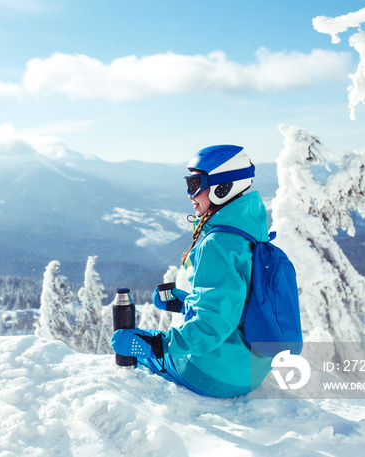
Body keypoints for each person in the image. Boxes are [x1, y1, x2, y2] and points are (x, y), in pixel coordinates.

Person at [111, 144, 273, 397]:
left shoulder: (217, 244)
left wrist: (157, 344)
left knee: (132, 353)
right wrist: (188, 303)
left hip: (214, 374)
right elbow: (239, 302)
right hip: (248, 370)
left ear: (223, 188)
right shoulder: (249, 230)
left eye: (195, 184)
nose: (189, 194)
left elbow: (213, 326)